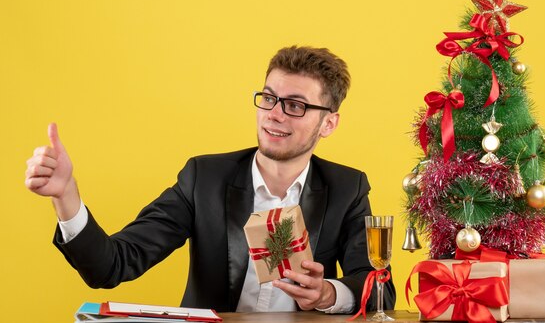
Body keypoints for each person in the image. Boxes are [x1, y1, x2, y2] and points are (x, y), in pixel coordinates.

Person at [24, 46, 396, 314]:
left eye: (295, 105)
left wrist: (328, 294)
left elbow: (381, 289)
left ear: (328, 123)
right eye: (268, 98)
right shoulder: (204, 179)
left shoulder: (347, 188)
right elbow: (112, 265)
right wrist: (66, 197)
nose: (274, 115)